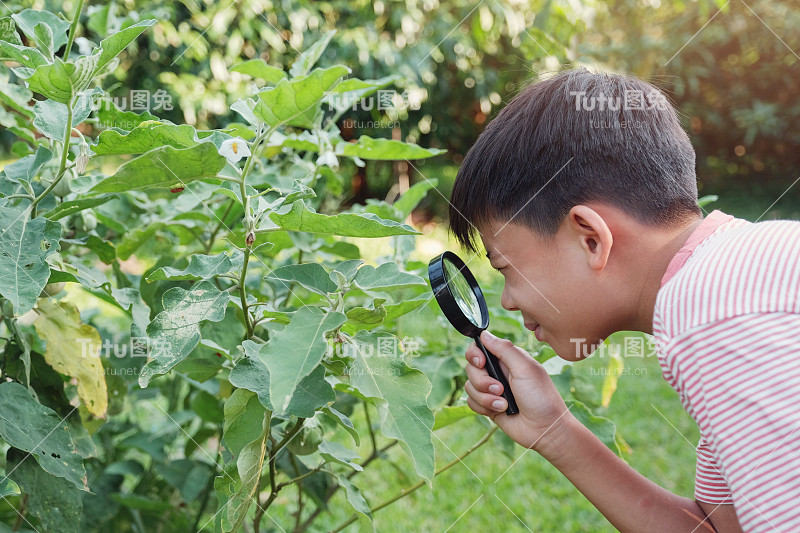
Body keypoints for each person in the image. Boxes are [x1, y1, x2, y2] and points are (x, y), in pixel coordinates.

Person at [451, 68, 800, 533]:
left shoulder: (714, 315)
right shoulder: (733, 278)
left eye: (505, 269)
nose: (509, 301)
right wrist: (555, 431)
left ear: (591, 239)